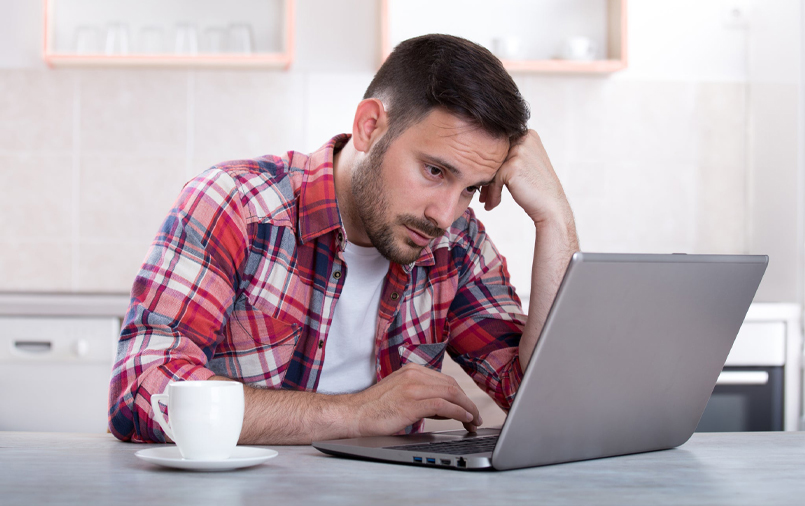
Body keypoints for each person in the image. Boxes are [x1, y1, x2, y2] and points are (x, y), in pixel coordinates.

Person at [108, 34, 579, 444]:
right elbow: (142, 388)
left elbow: (546, 403)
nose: (445, 213)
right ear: (369, 126)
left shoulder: (457, 244)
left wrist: (555, 220)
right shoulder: (237, 206)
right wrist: (358, 413)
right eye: (435, 171)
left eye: (471, 190)